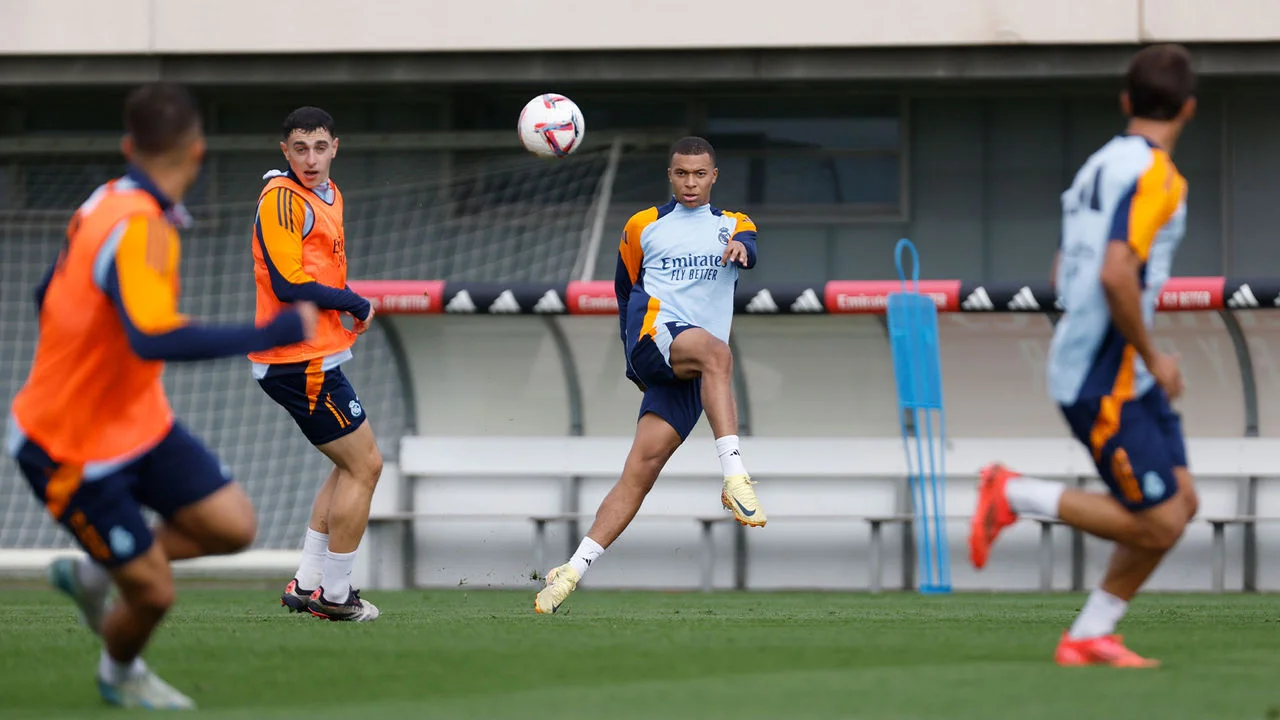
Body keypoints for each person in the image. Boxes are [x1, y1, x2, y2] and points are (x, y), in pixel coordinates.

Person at [7, 82, 317, 709]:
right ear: (197, 152)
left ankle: (93, 573)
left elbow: (46, 291)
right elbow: (152, 339)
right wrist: (274, 331)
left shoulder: (104, 198)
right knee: (152, 593)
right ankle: (120, 673)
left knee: (233, 526)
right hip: (68, 443)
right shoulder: (142, 228)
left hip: (136, 422)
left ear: (128, 146)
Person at [970, 43, 1199, 668]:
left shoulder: (1099, 163)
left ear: (1126, 103)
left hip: (1109, 364)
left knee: (1181, 504)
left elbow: (1067, 262)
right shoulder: (1159, 176)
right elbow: (1115, 275)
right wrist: (1154, 357)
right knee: (1157, 523)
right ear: (1189, 110)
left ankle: (1090, 634)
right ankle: (1013, 493)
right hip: (1108, 374)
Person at [535, 136, 765, 614]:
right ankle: (736, 475)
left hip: (690, 366)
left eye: (699, 174)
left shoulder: (733, 224)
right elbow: (625, 290)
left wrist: (742, 249)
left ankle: (570, 571)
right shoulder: (643, 225)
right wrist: (630, 356)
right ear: (670, 175)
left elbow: (749, 242)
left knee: (640, 473)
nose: (690, 182)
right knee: (719, 353)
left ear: (714, 176)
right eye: (681, 173)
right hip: (653, 336)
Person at [250, 107, 383, 622]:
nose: (311, 158)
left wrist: (344, 308)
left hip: (317, 355)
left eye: (320, 146)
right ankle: (335, 595)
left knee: (350, 463)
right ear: (284, 152)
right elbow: (287, 284)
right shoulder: (282, 199)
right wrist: (351, 301)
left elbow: (318, 270)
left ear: (335, 147)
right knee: (365, 466)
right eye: (300, 148)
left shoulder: (330, 195)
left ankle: (307, 583)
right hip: (294, 359)